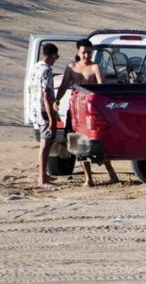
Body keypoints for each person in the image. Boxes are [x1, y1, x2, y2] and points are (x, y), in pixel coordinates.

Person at [55, 39, 119, 187]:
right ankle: (88, 178)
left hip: (91, 110)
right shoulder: (71, 67)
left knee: (98, 142)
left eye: (89, 53)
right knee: (78, 143)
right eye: (83, 52)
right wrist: (57, 100)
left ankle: (112, 173)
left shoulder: (95, 67)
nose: (86, 55)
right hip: (75, 110)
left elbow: (102, 87)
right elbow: (64, 85)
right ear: (78, 52)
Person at [29, 43, 59, 187]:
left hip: (35, 109)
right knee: (46, 144)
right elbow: (46, 95)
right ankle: (42, 178)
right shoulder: (46, 70)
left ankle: (44, 175)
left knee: (47, 142)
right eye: (56, 56)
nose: (56, 59)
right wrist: (51, 117)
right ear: (51, 55)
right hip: (44, 112)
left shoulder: (36, 67)